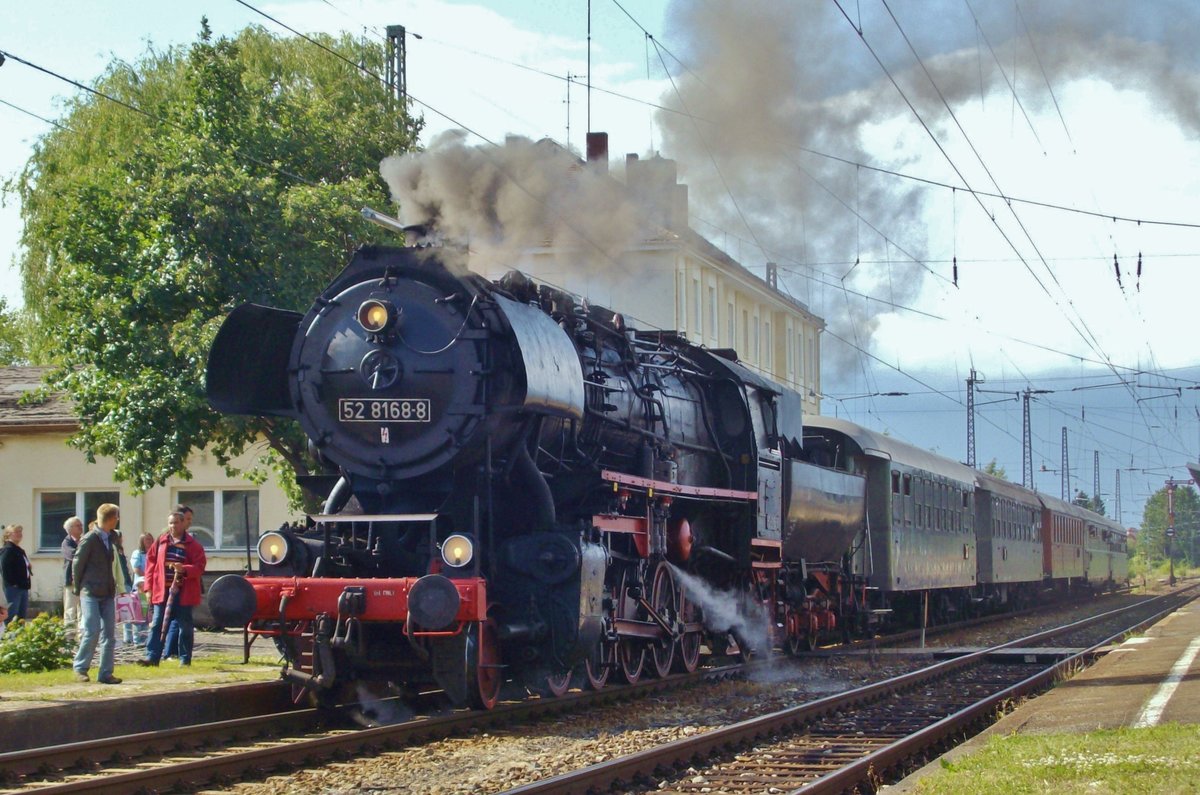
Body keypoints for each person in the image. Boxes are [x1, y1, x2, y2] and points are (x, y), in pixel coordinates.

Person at [139, 509, 206, 667]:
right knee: (157, 624)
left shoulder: (193, 545)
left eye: (176, 523)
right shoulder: (161, 542)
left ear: (183, 524)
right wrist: (148, 588)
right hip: (162, 592)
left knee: (185, 627)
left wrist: (183, 569)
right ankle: (152, 657)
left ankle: (184, 659)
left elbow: (200, 567)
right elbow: (150, 565)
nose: (173, 526)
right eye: (170, 523)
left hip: (183, 594)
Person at [71, 504, 122, 684]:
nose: (118, 519)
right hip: (90, 592)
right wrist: (77, 588)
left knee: (109, 634)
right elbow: (77, 564)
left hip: (107, 592)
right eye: (116, 516)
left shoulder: (112, 537)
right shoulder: (90, 539)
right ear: (110, 519)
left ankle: (106, 673)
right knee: (92, 630)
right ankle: (80, 668)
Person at [1, 524, 32, 627]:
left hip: (23, 587)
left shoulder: (18, 549)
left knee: (21, 616)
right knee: (11, 616)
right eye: (17, 532)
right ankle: (8, 639)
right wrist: (13, 584)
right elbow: (5, 569)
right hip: (14, 588)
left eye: (20, 532)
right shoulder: (8, 550)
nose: (20, 534)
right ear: (8, 535)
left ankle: (18, 639)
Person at [111, 529, 135, 643]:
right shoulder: (112, 550)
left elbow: (125, 569)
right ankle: (115, 637)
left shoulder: (121, 550)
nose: (121, 539)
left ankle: (128, 637)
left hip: (126, 583)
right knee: (114, 612)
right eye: (119, 536)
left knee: (127, 611)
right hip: (117, 585)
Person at [130, 532, 154, 645]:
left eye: (150, 539)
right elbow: (136, 569)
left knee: (148, 614)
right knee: (139, 613)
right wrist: (147, 578)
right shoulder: (138, 553)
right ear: (142, 541)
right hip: (141, 585)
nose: (149, 541)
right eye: (146, 539)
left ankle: (145, 638)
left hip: (153, 586)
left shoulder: (155, 553)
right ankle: (137, 640)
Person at [61, 516, 85, 630]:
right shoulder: (67, 542)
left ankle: (82, 634)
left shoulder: (84, 540)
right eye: (78, 525)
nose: (81, 527)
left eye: (81, 525)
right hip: (71, 581)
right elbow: (73, 555)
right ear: (70, 528)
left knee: (83, 609)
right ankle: (69, 636)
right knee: (70, 609)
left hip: (84, 580)